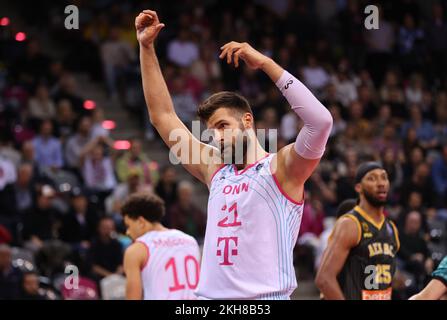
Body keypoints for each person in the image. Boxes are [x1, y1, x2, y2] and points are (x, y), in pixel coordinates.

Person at [136, 10, 332, 299]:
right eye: (212, 130)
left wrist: (265, 63)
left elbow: (321, 122)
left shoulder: (281, 167)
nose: (217, 136)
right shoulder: (214, 169)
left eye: (223, 125)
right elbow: (163, 116)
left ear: (248, 121)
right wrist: (146, 48)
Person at [315, 162, 400, 300]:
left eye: (384, 177)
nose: (381, 183)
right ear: (358, 187)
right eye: (372, 178)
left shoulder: (391, 228)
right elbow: (324, 279)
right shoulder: (351, 224)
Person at [122, 192, 200, 300]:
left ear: (141, 221)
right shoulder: (190, 241)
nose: (128, 232)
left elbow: (133, 297)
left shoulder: (136, 250)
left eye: (128, 226)